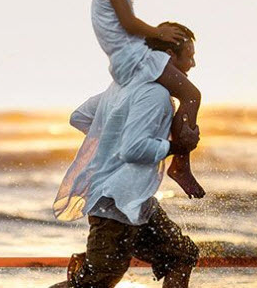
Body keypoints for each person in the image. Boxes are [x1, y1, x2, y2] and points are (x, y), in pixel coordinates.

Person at [51, 33, 202, 288]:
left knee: (182, 255)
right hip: (116, 203)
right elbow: (134, 149)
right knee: (96, 282)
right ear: (168, 58)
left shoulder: (122, 89)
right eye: (189, 57)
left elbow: (79, 117)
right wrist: (177, 146)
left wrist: (113, 140)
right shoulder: (155, 95)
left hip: (136, 203)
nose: (193, 65)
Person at [90, 0, 204, 198]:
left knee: (186, 95)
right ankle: (180, 164)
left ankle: (176, 158)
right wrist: (159, 33)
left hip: (130, 56)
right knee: (191, 95)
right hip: (133, 59)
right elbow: (128, 24)